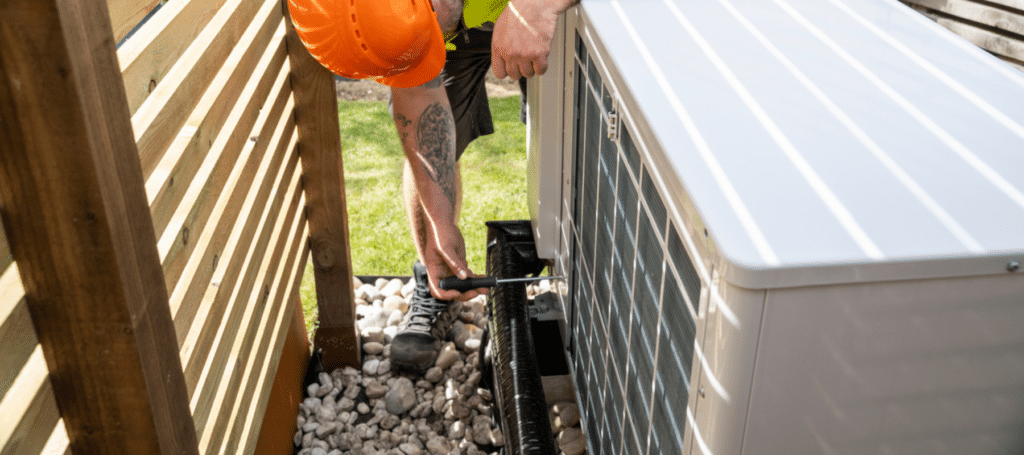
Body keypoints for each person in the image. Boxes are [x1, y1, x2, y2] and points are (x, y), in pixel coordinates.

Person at [288, 0, 579, 373]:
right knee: (435, 145)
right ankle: (434, 280)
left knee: (560, 136)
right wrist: (440, 226)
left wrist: (535, 5)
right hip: (457, 14)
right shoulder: (391, 19)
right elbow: (418, 99)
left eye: (427, 39)